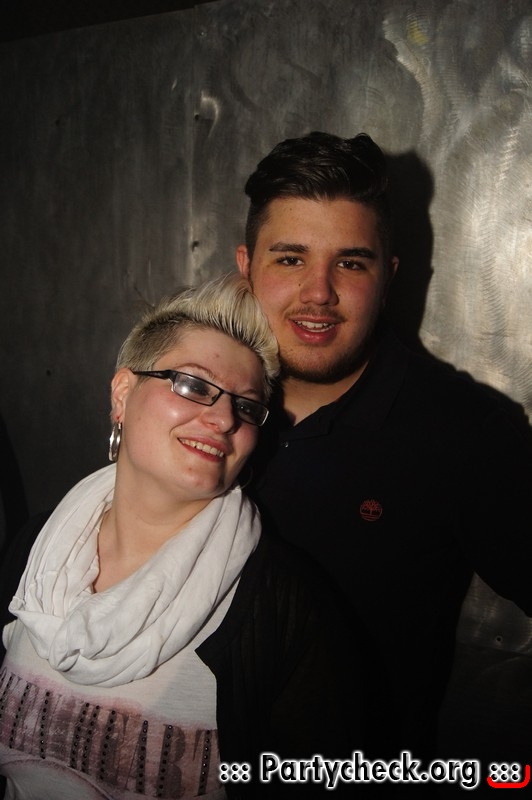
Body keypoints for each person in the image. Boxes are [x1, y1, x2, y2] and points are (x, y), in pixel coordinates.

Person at [0, 272, 368, 799]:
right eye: (194, 385)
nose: (223, 419)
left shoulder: (284, 604)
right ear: (123, 394)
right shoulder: (37, 547)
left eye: (246, 407)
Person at [235, 131, 532, 770]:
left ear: (388, 275)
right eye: (290, 259)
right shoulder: (204, 404)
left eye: (351, 263)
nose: (319, 291)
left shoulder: (463, 433)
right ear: (246, 266)